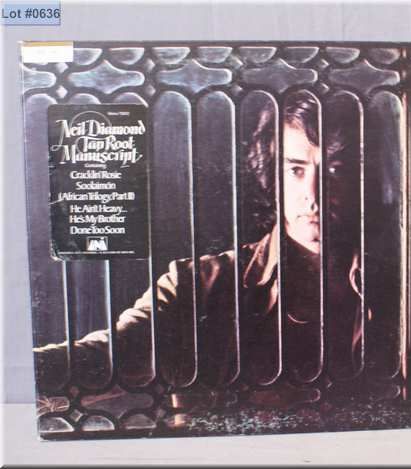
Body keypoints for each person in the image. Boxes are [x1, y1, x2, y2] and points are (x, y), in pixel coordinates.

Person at [34, 92, 369, 415]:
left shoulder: (390, 285)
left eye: (334, 170)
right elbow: (113, 352)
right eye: (296, 170)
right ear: (271, 173)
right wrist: (20, 369)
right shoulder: (198, 286)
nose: (313, 195)